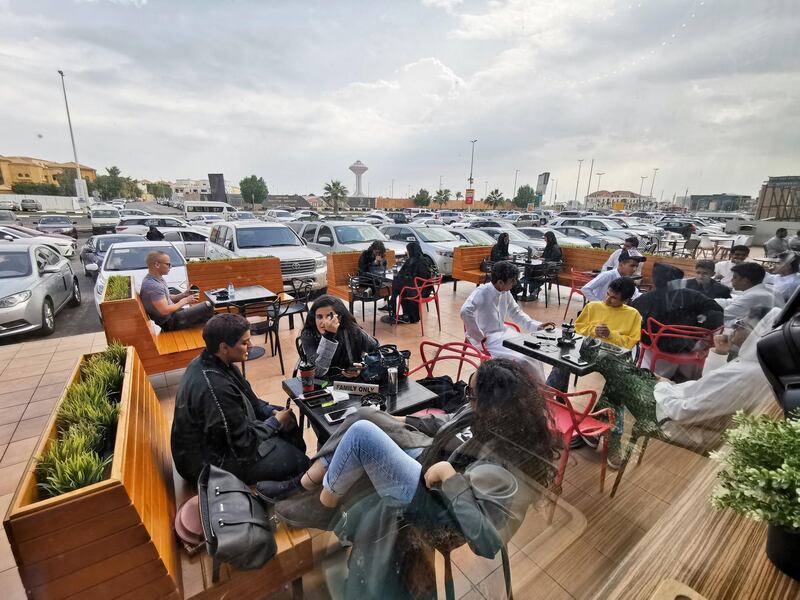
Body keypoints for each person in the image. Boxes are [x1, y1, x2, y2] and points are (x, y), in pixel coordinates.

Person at [257, 359, 558, 598]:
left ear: (494, 405)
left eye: (473, 394)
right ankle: (305, 483)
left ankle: (322, 502)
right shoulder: (485, 414)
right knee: (363, 415)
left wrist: (452, 479)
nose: (469, 398)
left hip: (437, 504)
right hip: (433, 460)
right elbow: (446, 422)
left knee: (362, 435)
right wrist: (401, 421)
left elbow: (487, 541)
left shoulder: (511, 465)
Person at [580, 307, 777, 454]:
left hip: (672, 420)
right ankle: (601, 434)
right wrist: (719, 353)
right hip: (679, 403)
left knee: (616, 373)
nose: (734, 326)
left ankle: (606, 439)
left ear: (757, 335)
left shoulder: (744, 375)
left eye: (741, 324)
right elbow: (710, 386)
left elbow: (684, 412)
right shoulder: (756, 367)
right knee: (630, 374)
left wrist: (665, 386)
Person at [170, 313, 309, 484]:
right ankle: (289, 481)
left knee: (285, 417)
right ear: (224, 347)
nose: (251, 346)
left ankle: (290, 467)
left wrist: (270, 412)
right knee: (299, 461)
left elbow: (249, 399)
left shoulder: (213, 361)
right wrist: (274, 423)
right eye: (244, 343)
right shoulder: (215, 387)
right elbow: (243, 444)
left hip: (220, 442)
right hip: (206, 464)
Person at [461, 261, 555, 380]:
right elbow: (465, 311)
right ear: (500, 282)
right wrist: (478, 335)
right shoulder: (482, 292)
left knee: (533, 352)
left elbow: (516, 312)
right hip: (487, 338)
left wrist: (536, 326)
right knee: (522, 360)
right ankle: (533, 390)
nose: (515, 283)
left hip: (503, 333)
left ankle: (541, 389)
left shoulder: (505, 292)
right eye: (512, 281)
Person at [546, 277, 642, 393]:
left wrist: (610, 335)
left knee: (620, 379)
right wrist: (593, 331)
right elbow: (578, 328)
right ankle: (549, 396)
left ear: (625, 300)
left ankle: (604, 410)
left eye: (614, 298)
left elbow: (630, 343)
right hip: (586, 351)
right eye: (607, 294)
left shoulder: (633, 315)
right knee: (562, 362)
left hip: (612, 357)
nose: (607, 300)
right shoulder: (593, 307)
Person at [632, 263, 724, 379]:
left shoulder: (644, 299)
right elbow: (717, 311)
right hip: (686, 345)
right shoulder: (692, 295)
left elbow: (632, 319)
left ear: (654, 279)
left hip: (653, 343)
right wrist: (701, 329)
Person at [299, 294, 379, 379]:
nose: (324, 322)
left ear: (339, 318)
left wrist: (363, 365)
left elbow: (379, 351)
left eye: (329, 316)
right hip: (322, 384)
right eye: (319, 317)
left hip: (351, 382)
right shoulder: (309, 335)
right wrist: (329, 335)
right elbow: (318, 371)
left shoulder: (351, 329)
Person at [139, 251, 213, 330]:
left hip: (174, 315)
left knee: (206, 314)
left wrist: (184, 294)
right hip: (171, 322)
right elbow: (164, 310)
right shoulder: (153, 286)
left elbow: (167, 298)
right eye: (168, 264)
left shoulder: (157, 279)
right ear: (157, 265)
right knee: (208, 305)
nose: (170, 267)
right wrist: (185, 300)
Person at [715, 262, 785, 326]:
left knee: (714, 321)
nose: (731, 280)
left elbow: (724, 315)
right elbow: (734, 301)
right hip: (773, 326)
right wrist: (710, 301)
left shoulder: (754, 296)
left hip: (763, 332)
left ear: (745, 281)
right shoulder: (769, 288)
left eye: (735, 277)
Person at [382, 241, 436, 324]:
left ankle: (395, 307)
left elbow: (405, 275)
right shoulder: (425, 260)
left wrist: (404, 278)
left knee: (398, 284)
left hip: (419, 292)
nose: (407, 253)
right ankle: (396, 308)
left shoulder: (413, 261)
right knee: (400, 284)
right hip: (426, 290)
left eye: (408, 251)